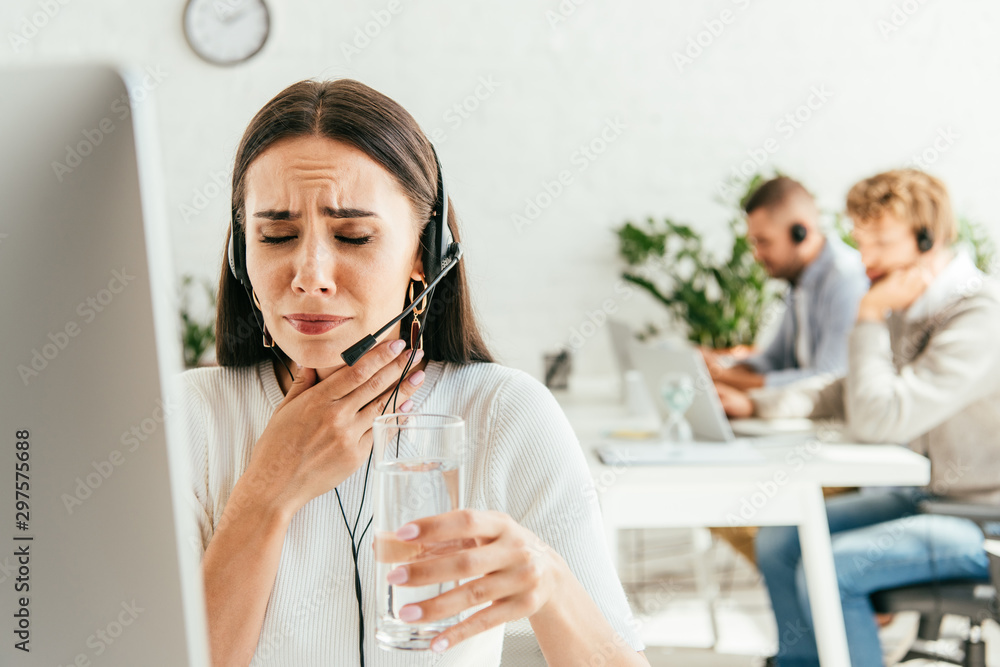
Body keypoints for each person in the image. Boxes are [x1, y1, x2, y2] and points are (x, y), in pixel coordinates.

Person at [176, 79, 648, 666]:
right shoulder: (189, 418)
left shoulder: (503, 413)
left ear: (425, 256)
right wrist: (268, 490)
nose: (310, 275)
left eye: (353, 236)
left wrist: (550, 580)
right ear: (240, 255)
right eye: (276, 236)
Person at [730, 169, 1000, 667]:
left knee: (835, 566)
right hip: (931, 498)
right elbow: (848, 390)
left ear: (927, 239)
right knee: (781, 539)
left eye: (881, 243)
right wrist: (754, 404)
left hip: (985, 519)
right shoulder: (911, 305)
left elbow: (882, 419)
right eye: (861, 241)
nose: (866, 259)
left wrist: (870, 314)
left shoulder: (979, 316)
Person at [705, 176, 868, 396]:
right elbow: (773, 359)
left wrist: (731, 380)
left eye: (764, 241)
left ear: (800, 232)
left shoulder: (846, 279)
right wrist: (719, 367)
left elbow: (829, 378)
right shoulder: (798, 281)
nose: (757, 254)